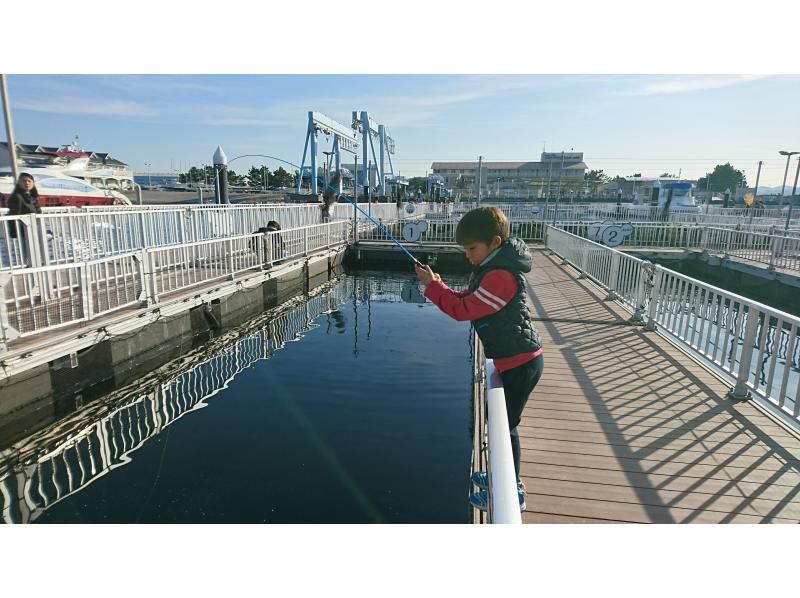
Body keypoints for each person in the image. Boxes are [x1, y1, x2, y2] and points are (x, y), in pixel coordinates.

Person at [414, 206, 543, 513]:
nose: (468, 255)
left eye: (472, 248)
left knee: (505, 428)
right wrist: (439, 286)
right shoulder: (493, 270)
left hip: (520, 364)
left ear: (495, 243)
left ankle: (514, 490)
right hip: (514, 361)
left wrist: (432, 289)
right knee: (502, 425)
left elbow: (462, 311)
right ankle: (503, 477)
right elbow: (466, 300)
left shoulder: (500, 277)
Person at [6, 172, 42, 265]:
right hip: (24, 230)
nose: (27, 183)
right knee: (28, 253)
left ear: (33, 183)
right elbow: (13, 215)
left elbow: (38, 211)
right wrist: (13, 231)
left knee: (37, 251)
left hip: (34, 229)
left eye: (29, 181)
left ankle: (35, 266)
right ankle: (30, 268)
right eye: (23, 181)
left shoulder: (33, 196)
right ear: (19, 183)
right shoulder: (17, 197)